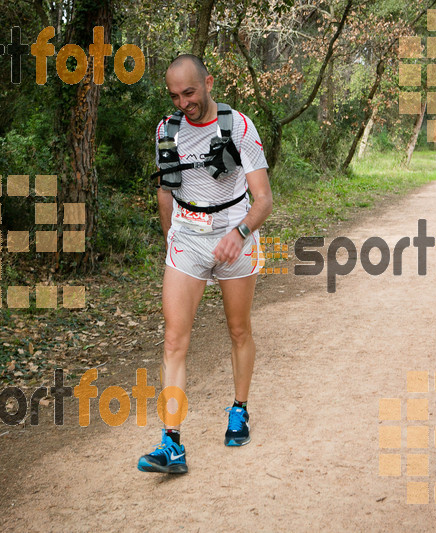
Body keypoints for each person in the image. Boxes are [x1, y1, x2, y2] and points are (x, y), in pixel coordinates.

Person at [137, 54, 273, 474]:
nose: (183, 103)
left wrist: (241, 233)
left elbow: (264, 199)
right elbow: (164, 191)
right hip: (187, 239)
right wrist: (171, 243)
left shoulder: (239, 128)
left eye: (190, 93)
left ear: (209, 82)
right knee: (174, 341)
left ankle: (239, 410)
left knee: (238, 329)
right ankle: (171, 443)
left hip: (236, 232)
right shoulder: (166, 131)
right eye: (175, 96)